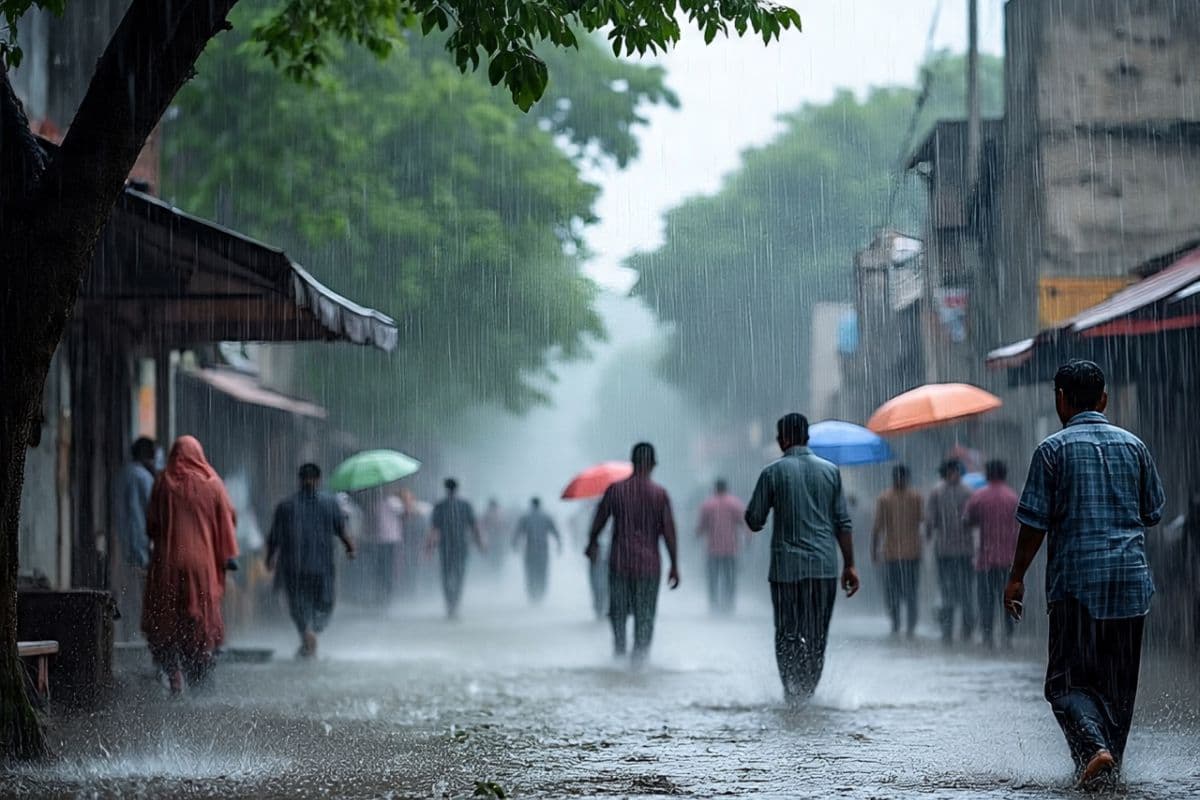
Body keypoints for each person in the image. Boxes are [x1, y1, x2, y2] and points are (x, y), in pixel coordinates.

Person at [1006, 360, 1165, 787]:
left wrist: (1016, 575)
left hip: (1077, 585)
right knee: (1118, 690)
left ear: (1060, 399)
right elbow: (1152, 512)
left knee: (1065, 683)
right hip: (1130, 585)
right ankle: (1103, 772)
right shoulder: (1134, 446)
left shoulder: (1052, 451)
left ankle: (1095, 751)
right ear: (1105, 399)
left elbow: (1034, 523)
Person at [746, 413, 859, 703]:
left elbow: (754, 520)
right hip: (823, 568)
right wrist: (850, 565)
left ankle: (791, 693)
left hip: (786, 571)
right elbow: (843, 523)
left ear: (783, 439)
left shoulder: (772, 473)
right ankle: (808, 693)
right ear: (806, 437)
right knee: (817, 635)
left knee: (787, 633)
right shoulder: (831, 472)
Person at [141, 436, 238, 694]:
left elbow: (151, 525)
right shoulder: (213, 484)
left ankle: (172, 674)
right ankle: (199, 670)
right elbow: (229, 520)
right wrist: (225, 554)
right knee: (199, 619)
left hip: (168, 562)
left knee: (166, 616)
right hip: (201, 564)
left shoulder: (163, 482)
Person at [586, 443, 680, 664]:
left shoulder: (615, 490)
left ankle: (619, 654)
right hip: (649, 567)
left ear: (633, 463)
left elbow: (599, 521)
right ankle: (640, 660)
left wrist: (592, 544)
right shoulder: (659, 495)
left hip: (620, 562)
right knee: (645, 616)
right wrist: (674, 565)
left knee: (618, 613)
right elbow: (669, 533)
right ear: (653, 464)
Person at [267, 463, 356, 658]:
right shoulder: (330, 503)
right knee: (324, 603)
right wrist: (350, 548)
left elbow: (273, 538)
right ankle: (312, 632)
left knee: (298, 605)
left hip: (294, 566)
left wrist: (270, 558)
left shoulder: (286, 505)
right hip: (321, 566)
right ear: (319, 480)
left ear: (299, 480)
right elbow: (342, 530)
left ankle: (306, 635)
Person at [963, 459, 1019, 648]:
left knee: (986, 601)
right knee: (1008, 600)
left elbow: (967, 520)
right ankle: (1009, 636)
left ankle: (987, 637)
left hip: (985, 560)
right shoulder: (1013, 498)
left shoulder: (979, 497)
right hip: (1009, 560)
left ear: (988, 474)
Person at [871, 464, 923, 637]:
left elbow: (877, 527)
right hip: (904, 554)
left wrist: (874, 550)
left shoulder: (887, 498)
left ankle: (901, 624)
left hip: (898, 554)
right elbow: (923, 523)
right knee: (907, 592)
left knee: (898, 592)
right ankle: (905, 625)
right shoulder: (912, 497)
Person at [926, 459, 975, 643]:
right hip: (949, 552)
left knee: (961, 592)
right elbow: (930, 521)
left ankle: (964, 630)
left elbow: (930, 522)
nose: (953, 474)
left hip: (958, 551)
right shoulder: (943, 493)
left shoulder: (941, 492)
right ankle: (950, 631)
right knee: (951, 592)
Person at [114, 436, 156, 636]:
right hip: (141, 543)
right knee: (142, 592)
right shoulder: (145, 478)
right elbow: (151, 511)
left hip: (122, 542)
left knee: (126, 590)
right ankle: (139, 632)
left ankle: (124, 631)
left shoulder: (123, 475)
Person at [427, 478, 485, 619]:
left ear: (446, 489)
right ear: (457, 489)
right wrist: (480, 544)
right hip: (461, 546)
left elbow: (434, 530)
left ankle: (449, 603)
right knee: (459, 575)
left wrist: (429, 548)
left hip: (445, 547)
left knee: (446, 575)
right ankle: (455, 603)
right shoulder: (465, 505)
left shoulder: (440, 506)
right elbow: (474, 527)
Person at [696, 479, 747, 614]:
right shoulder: (735, 504)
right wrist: (748, 540)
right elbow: (744, 523)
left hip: (713, 549)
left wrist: (696, 536)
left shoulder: (708, 505)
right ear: (726, 488)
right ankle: (728, 605)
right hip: (731, 549)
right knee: (730, 578)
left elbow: (701, 527)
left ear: (715, 488)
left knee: (713, 579)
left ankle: (714, 605)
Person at [512, 497, 562, 603]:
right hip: (543, 551)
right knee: (542, 573)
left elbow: (517, 533)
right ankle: (541, 594)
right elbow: (555, 532)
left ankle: (532, 594)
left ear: (531, 505)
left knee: (530, 573)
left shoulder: (525, 517)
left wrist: (514, 545)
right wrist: (559, 545)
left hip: (530, 551)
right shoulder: (546, 517)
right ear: (540, 505)